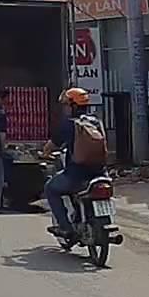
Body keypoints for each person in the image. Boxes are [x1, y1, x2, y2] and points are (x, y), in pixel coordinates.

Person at [43, 87, 105, 239]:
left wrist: (45, 153)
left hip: (76, 176)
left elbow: (51, 145)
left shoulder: (69, 124)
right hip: (100, 173)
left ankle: (65, 228)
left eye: (66, 105)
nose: (64, 109)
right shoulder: (96, 122)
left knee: (50, 188)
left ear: (73, 106)